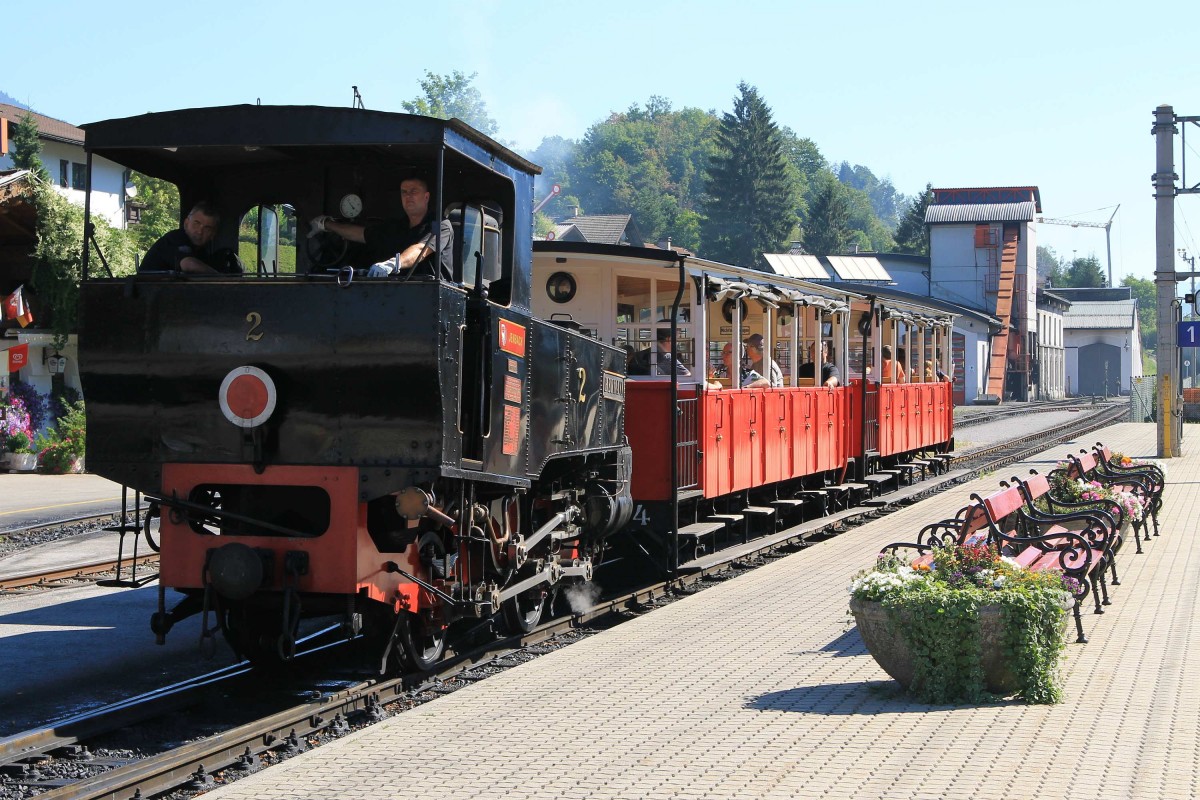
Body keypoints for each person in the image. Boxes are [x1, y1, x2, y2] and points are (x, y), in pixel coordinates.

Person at [309, 175, 453, 279]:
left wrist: (392, 264)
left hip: (429, 294)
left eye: (413, 191)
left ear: (426, 197)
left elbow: (421, 249)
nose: (408, 196)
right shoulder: (396, 227)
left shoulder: (440, 225)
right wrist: (326, 224)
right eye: (404, 192)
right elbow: (362, 234)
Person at [140, 201, 236, 274]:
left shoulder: (202, 253)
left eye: (207, 228)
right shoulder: (175, 238)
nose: (199, 231)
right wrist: (220, 278)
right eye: (196, 223)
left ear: (213, 234)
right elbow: (189, 265)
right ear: (186, 223)